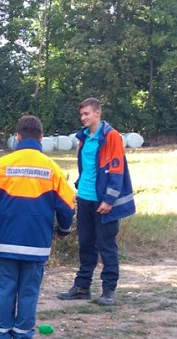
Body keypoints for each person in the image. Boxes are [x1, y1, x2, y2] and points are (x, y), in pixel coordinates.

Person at [0, 115, 76, 339]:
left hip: (4, 242)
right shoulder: (51, 167)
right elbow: (67, 206)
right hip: (37, 245)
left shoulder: (3, 164)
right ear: (41, 138)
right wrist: (63, 230)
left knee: (5, 292)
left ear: (18, 137)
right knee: (28, 293)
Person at [57, 98, 135, 306]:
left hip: (103, 202)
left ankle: (108, 290)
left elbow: (116, 169)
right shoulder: (83, 138)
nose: (83, 118)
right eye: (81, 114)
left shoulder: (111, 136)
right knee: (86, 244)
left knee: (106, 245)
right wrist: (79, 187)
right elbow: (88, 167)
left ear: (97, 113)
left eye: (87, 114)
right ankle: (82, 287)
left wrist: (109, 199)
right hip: (85, 198)